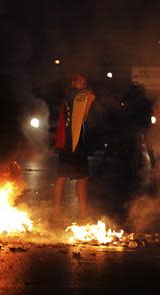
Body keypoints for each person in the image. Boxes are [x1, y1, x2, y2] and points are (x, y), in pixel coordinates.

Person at [53, 73, 95, 217]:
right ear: (73, 82)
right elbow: (82, 117)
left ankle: (83, 210)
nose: (82, 83)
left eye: (84, 81)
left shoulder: (77, 96)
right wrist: (89, 102)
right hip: (69, 141)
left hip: (76, 141)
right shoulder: (75, 96)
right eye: (79, 81)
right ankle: (58, 210)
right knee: (62, 176)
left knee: (82, 178)